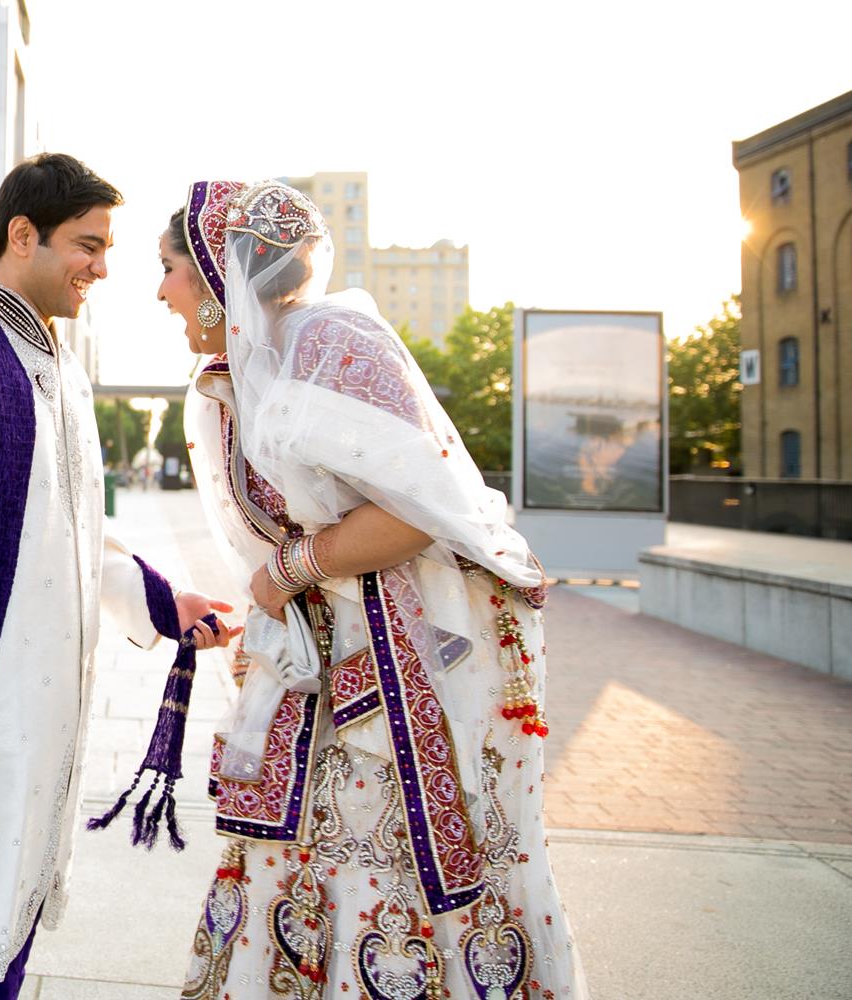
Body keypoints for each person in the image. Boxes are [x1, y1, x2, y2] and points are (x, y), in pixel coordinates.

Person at [158, 180, 588, 999]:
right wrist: (265, 608)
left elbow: (414, 512)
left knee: (398, 865)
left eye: (170, 267)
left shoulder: (331, 339)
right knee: (317, 857)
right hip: (342, 658)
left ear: (219, 272)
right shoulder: (246, 368)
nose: (160, 289)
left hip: (424, 658)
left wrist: (282, 576)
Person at [0, 153, 236, 1000]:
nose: (101, 268)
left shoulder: (54, 359)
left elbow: (67, 531)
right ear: (20, 235)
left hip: (41, 697)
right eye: (86, 245)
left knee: (8, 912)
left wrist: (163, 602)